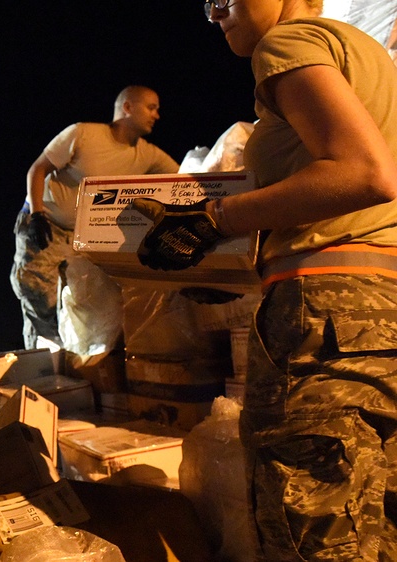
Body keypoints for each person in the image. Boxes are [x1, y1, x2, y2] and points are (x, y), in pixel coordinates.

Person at [133, 0, 397, 558]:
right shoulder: (366, 53)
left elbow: (365, 174)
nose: (214, 12)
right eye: (206, 3)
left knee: (316, 531)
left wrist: (214, 219)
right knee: (377, 522)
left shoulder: (290, 42)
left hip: (324, 323)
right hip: (380, 314)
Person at [11, 85, 179, 360]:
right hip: (46, 225)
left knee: (79, 302)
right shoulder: (83, 134)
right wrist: (37, 214)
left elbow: (186, 175)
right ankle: (43, 367)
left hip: (84, 238)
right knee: (40, 296)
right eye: (151, 107)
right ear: (127, 107)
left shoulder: (147, 155)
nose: (157, 115)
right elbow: (38, 169)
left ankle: (75, 368)